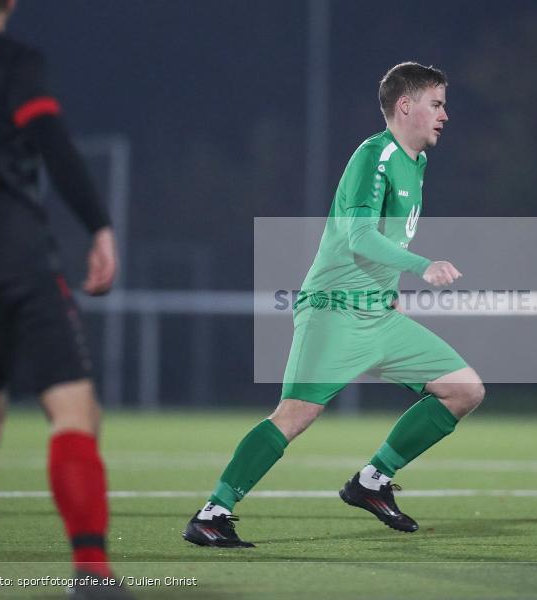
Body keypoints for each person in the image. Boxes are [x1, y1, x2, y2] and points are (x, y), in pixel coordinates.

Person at [184, 62, 485, 547]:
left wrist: (391, 294)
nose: (444, 115)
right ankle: (212, 514)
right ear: (404, 106)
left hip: (378, 313)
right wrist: (422, 266)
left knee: (464, 390)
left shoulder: (416, 163)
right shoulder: (374, 156)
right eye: (436, 104)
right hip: (334, 309)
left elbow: (384, 238)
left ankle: (371, 481)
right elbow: (360, 237)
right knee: (295, 414)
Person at [0, 0, 126, 596]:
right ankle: (91, 572)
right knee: (73, 411)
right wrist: (98, 225)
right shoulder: (11, 60)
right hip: (12, 252)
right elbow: (50, 139)